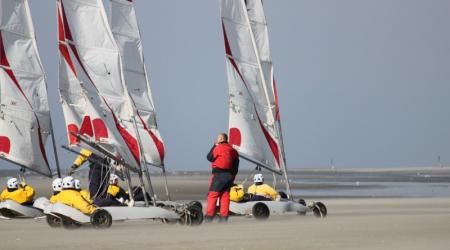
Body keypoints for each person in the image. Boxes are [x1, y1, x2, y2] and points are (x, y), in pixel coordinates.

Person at [205, 133, 239, 222]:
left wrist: (214, 145)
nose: (217, 139)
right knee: (225, 195)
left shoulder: (218, 148)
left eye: (218, 138)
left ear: (221, 139)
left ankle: (209, 217)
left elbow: (209, 158)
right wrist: (232, 178)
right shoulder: (233, 150)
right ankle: (224, 217)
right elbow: (236, 166)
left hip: (218, 175)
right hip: (229, 176)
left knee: (213, 194)